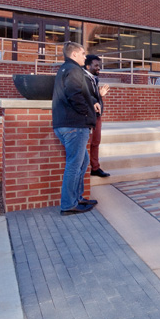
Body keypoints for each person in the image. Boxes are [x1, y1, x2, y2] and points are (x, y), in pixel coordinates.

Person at [52, 42, 99, 215]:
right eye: (82, 53)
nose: (85, 57)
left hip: (66, 124)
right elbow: (74, 95)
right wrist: (87, 113)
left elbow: (75, 94)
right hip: (74, 126)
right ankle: (69, 205)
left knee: (83, 161)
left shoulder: (64, 69)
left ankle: (77, 198)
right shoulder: (73, 70)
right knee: (74, 165)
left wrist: (92, 103)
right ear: (73, 55)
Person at [84, 54, 111, 177]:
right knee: (88, 143)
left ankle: (95, 168)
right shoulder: (83, 78)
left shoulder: (94, 78)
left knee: (96, 142)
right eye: (96, 65)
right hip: (87, 116)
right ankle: (86, 168)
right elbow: (83, 95)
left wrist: (100, 95)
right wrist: (95, 99)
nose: (98, 68)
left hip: (97, 116)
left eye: (99, 65)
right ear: (88, 66)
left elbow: (93, 97)